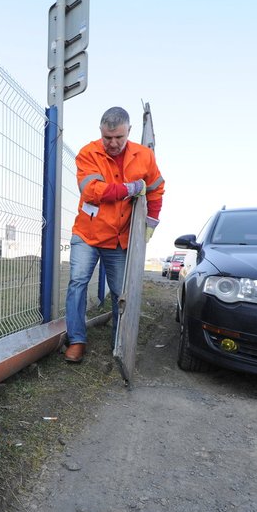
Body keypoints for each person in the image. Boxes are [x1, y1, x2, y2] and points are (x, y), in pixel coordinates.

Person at [63, 106, 165, 363]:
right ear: (101, 132)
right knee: (77, 283)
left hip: (119, 239)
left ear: (128, 131)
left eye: (119, 137)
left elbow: (155, 188)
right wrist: (131, 188)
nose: (113, 143)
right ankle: (76, 340)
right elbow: (93, 191)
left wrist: (150, 222)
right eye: (108, 138)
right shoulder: (89, 153)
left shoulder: (144, 156)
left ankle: (119, 343)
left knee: (121, 292)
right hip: (88, 234)